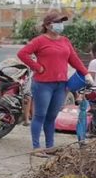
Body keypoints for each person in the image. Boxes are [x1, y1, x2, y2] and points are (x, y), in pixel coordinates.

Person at [17, 11, 90, 155]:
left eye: (61, 22)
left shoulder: (65, 41)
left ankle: (50, 146)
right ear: (47, 25)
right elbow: (22, 53)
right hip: (43, 84)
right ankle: (36, 147)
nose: (60, 25)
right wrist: (37, 67)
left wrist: (86, 73)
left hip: (61, 84)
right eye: (57, 22)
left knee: (52, 117)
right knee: (40, 115)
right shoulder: (39, 40)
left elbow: (74, 59)